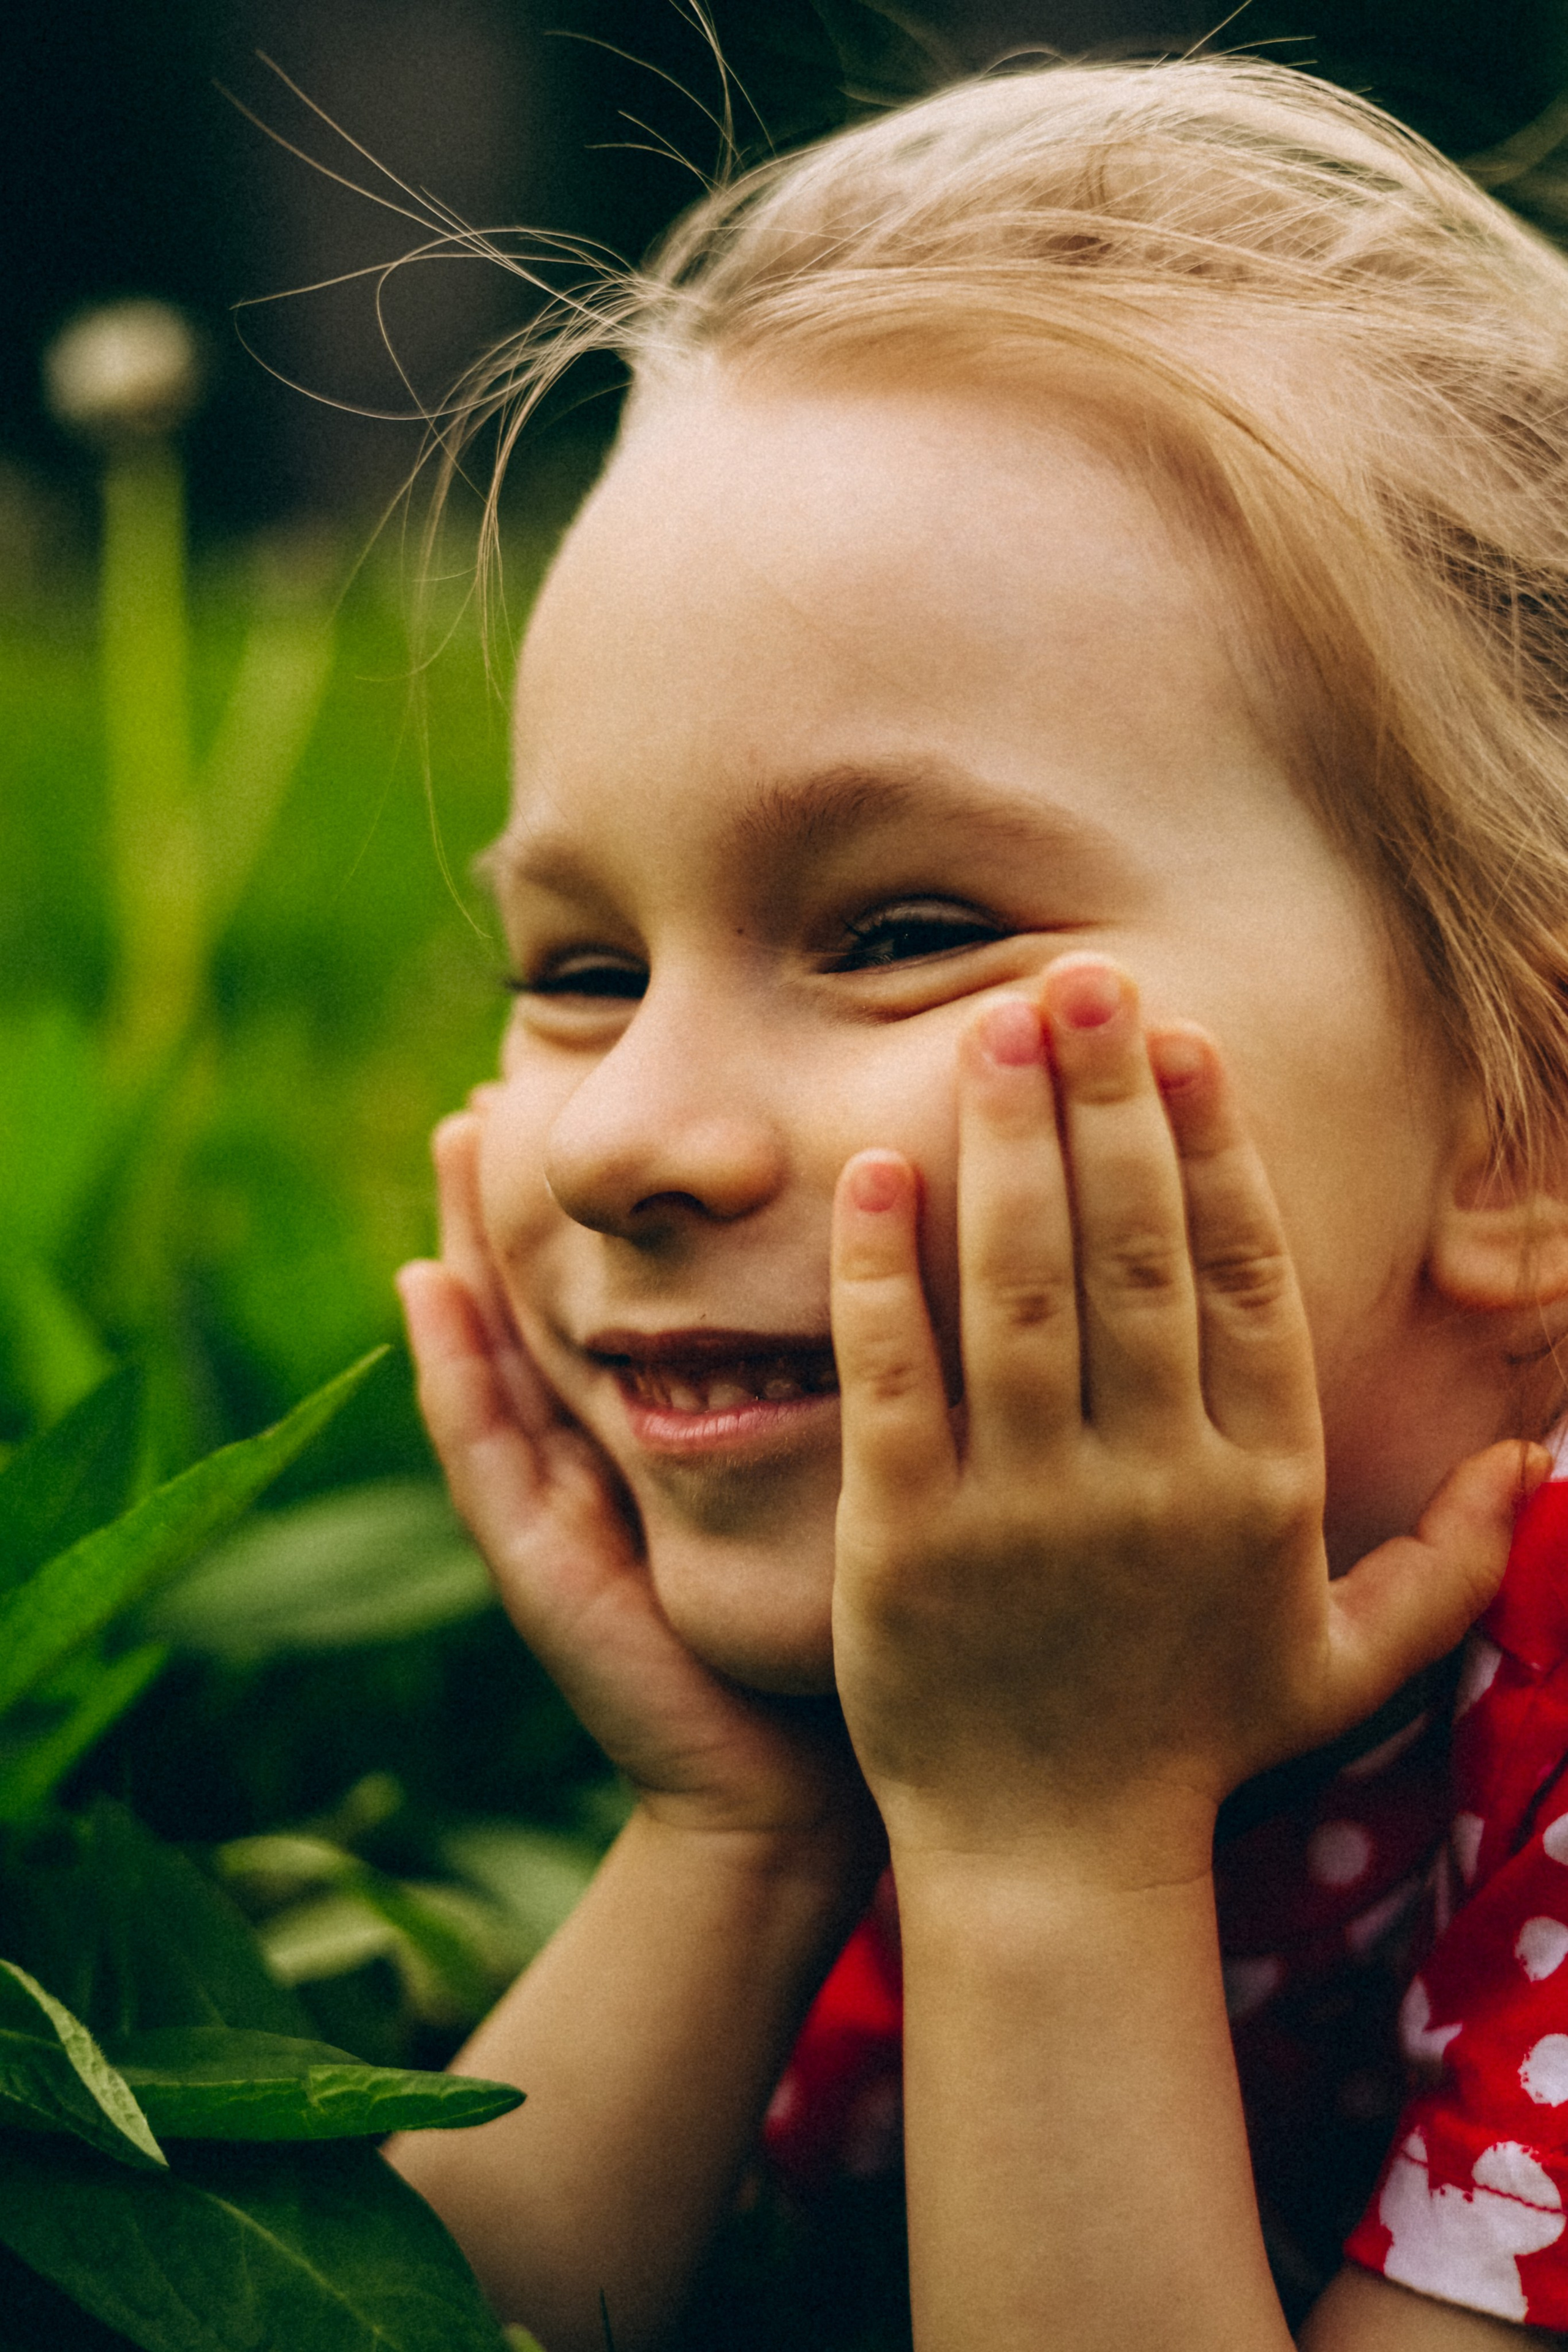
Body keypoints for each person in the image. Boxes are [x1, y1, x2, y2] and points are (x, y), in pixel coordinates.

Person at [387, 54, 1568, 2351]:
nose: (626, 1138)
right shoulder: (973, 1625)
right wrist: (745, 1832)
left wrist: (1053, 1846)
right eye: (581, 971)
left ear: (1522, 1125)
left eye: (903, 932)